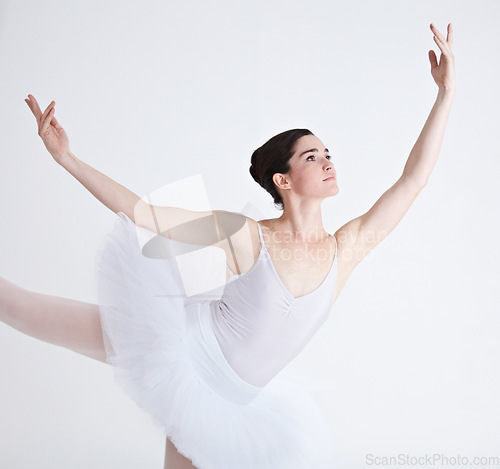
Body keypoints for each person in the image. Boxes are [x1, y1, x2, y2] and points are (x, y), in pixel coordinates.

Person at [0, 23, 455, 469]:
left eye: (328, 154)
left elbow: (413, 179)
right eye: (311, 157)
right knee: (20, 309)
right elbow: (145, 216)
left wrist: (444, 96)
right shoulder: (246, 234)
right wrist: (68, 159)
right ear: (283, 180)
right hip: (176, 351)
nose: (327, 163)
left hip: (234, 406)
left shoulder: (347, 249)